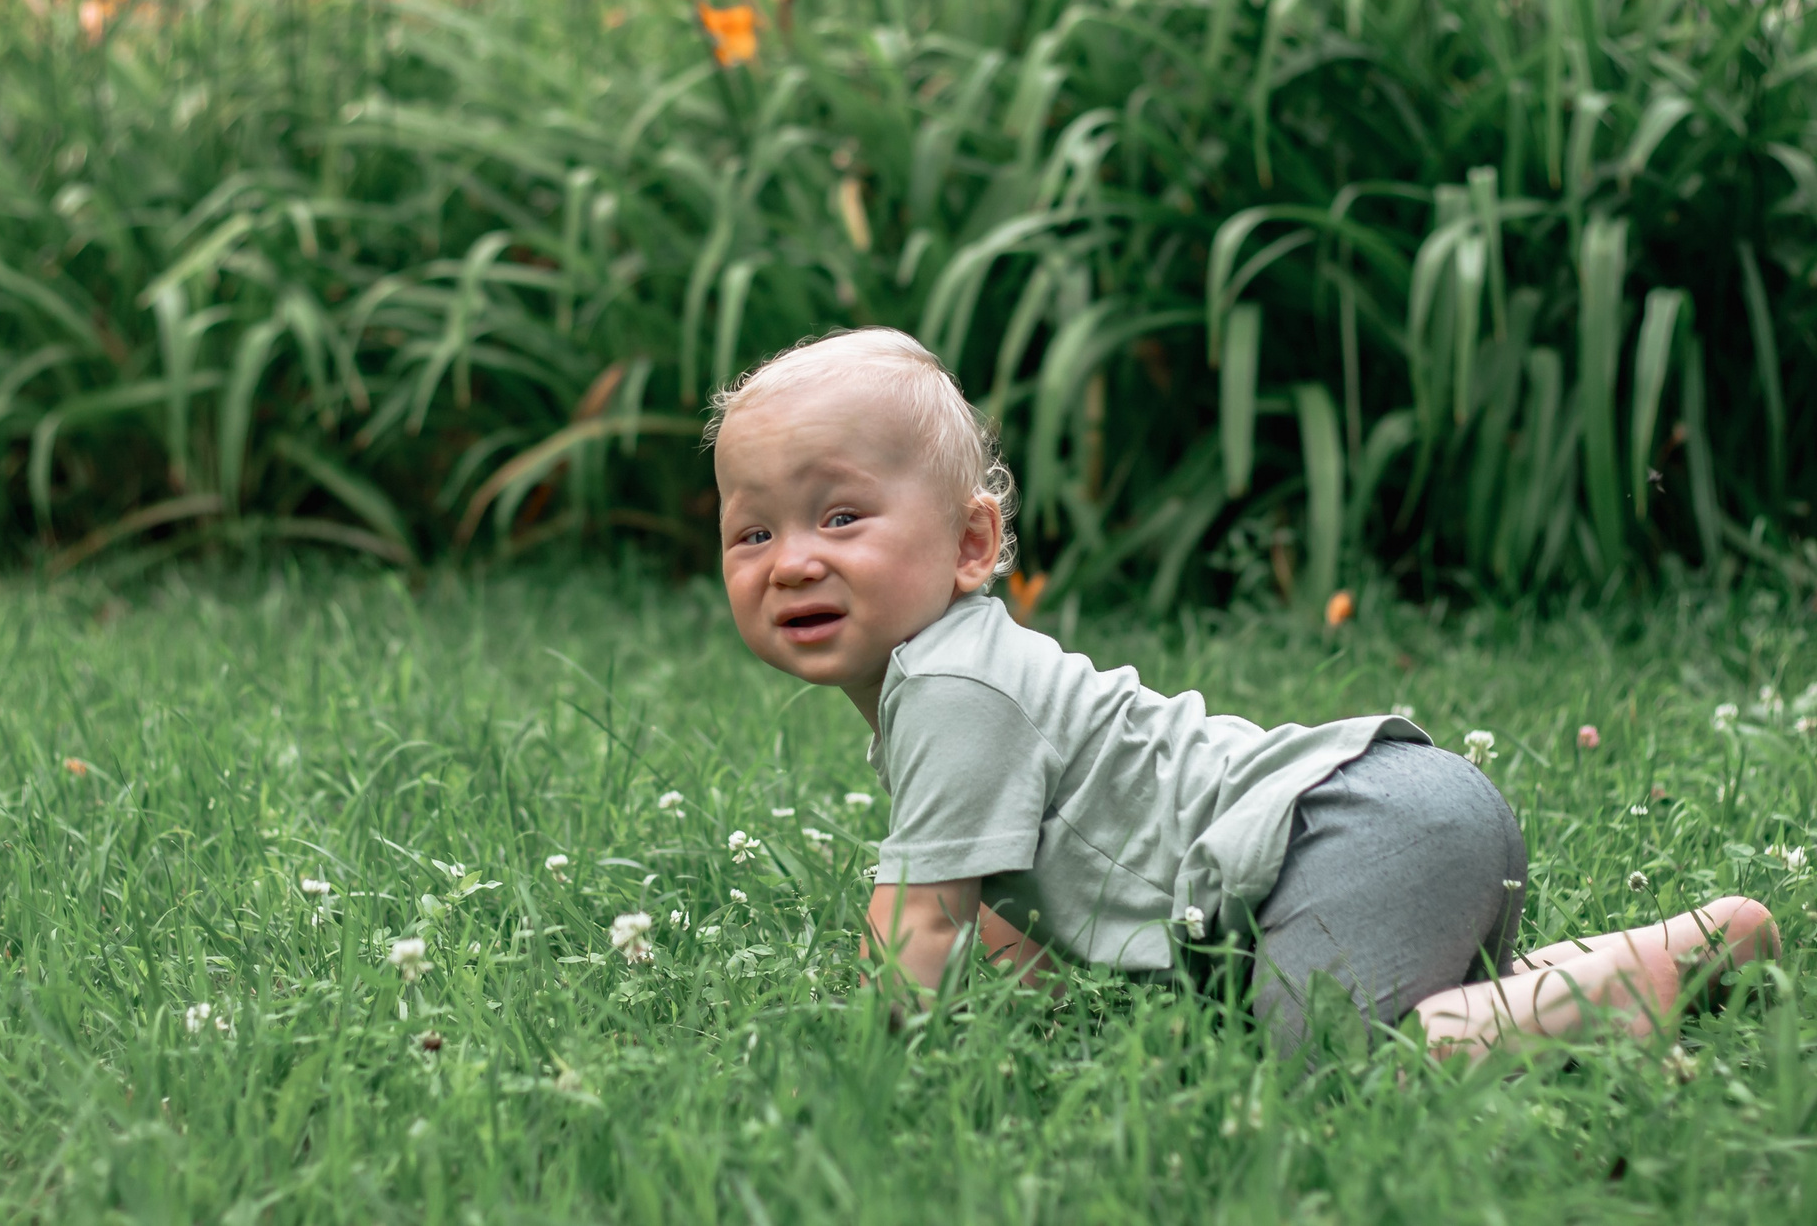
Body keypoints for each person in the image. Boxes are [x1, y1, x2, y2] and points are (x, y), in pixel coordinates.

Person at [707, 327, 1779, 1057]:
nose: (791, 560)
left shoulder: (951, 689)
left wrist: (858, 1074)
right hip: (1384, 818)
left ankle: (1622, 991)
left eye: (840, 518)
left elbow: (920, 936)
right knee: (1362, 1010)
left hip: (1352, 832)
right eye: (753, 531)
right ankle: (1640, 961)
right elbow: (1001, 920)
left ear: (972, 542)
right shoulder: (959, 676)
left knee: (1333, 1070)